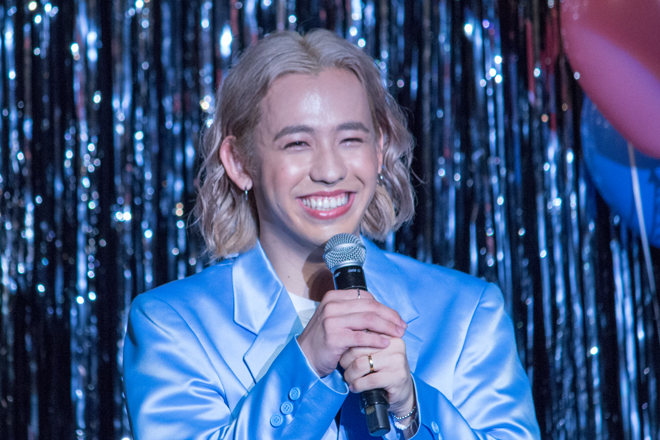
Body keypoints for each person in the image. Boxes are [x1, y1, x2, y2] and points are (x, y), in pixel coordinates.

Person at [122, 29, 540, 440]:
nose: (330, 170)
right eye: (297, 143)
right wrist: (305, 365)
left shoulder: (467, 313)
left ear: (379, 149)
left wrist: (413, 409)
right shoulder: (172, 324)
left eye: (351, 139)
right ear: (239, 162)